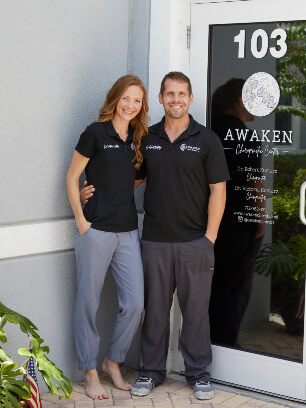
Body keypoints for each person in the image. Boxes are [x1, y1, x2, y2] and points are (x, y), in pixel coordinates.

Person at [81, 71, 229, 400]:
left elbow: (218, 191)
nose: (176, 99)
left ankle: (199, 373)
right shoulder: (147, 139)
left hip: (196, 242)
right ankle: (151, 372)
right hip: (154, 241)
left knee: (195, 312)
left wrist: (210, 238)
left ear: (191, 99)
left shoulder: (206, 140)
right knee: (155, 311)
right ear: (161, 99)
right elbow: (128, 181)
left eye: (182, 94)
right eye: (169, 94)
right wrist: (93, 193)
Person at [66, 75, 149, 400]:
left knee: (135, 304)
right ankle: (89, 371)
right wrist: (81, 220)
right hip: (95, 230)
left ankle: (112, 360)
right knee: (88, 302)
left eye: (137, 101)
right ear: (115, 98)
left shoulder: (138, 138)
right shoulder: (95, 133)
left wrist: (113, 192)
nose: (130, 106)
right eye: (126, 99)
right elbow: (73, 178)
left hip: (128, 231)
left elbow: (136, 179)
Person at [209, 78, 265, 347]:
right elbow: (255, 182)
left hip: (210, 221)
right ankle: (227, 345)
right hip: (239, 223)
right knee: (235, 288)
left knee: (213, 285)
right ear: (241, 101)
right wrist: (260, 222)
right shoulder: (245, 135)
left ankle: (210, 342)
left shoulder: (209, 131)